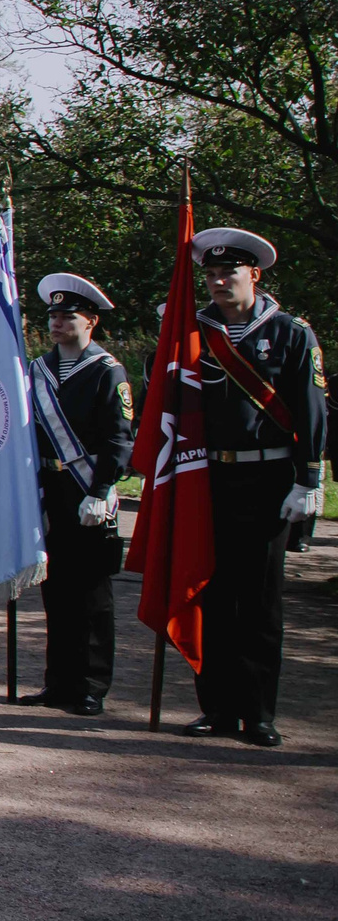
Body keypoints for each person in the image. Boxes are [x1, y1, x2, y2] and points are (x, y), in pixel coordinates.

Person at [180, 229, 325, 747]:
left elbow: (310, 408)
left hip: (269, 479)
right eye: (212, 275)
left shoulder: (290, 332)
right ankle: (217, 708)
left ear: (254, 275)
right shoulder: (191, 331)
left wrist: (309, 479)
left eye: (230, 273)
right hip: (210, 478)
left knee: (260, 600)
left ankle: (259, 713)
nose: (219, 282)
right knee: (213, 595)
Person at [21, 273, 134, 717]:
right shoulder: (38, 370)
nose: (57, 322)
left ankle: (90, 686)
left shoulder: (108, 371)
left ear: (91, 321)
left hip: (88, 489)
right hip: (50, 489)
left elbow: (119, 438)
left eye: (68, 315)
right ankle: (59, 682)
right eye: (53, 315)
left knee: (92, 595)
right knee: (57, 592)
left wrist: (102, 488)